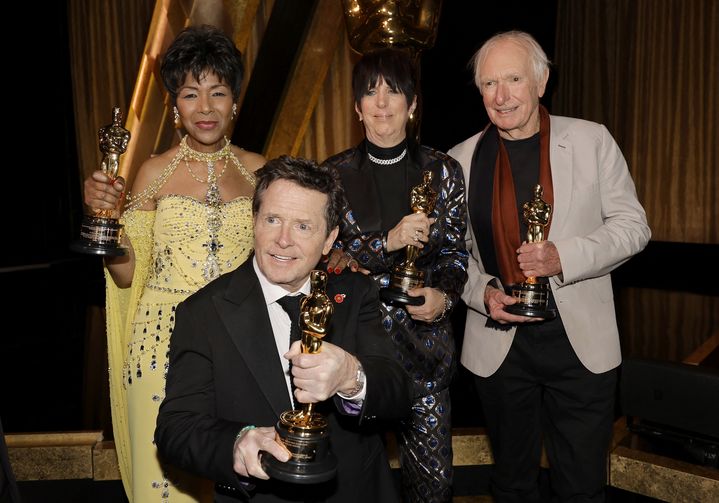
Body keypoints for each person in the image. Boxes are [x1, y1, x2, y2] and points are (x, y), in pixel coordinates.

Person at [447, 31, 651, 502]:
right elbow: (454, 256)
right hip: (498, 347)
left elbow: (633, 227)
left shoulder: (591, 140)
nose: (502, 96)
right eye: (490, 84)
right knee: (512, 484)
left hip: (579, 346)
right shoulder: (458, 161)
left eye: (514, 79)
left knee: (581, 487)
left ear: (541, 81)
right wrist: (482, 295)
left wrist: (564, 256)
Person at [154, 156, 413, 503]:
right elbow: (176, 428)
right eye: (272, 219)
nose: (283, 240)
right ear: (254, 221)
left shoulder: (354, 294)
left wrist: (352, 376)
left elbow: (398, 394)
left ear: (328, 239)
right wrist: (237, 442)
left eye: (303, 226)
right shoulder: (203, 312)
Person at [82, 25, 266, 502]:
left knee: (238, 478)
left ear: (235, 101)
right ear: (174, 107)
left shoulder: (260, 171)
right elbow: (128, 273)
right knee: (164, 489)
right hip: (158, 345)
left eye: (217, 93)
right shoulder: (151, 171)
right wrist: (107, 222)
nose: (205, 108)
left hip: (237, 346)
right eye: (190, 94)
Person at [322, 47, 468, 503]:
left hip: (426, 354)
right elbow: (325, 256)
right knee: (352, 485)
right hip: (353, 351)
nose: (382, 102)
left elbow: (453, 257)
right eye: (370, 92)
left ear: (413, 103)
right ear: (356, 108)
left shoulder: (443, 171)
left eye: (393, 90)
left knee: (433, 487)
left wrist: (443, 298)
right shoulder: (333, 176)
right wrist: (387, 240)